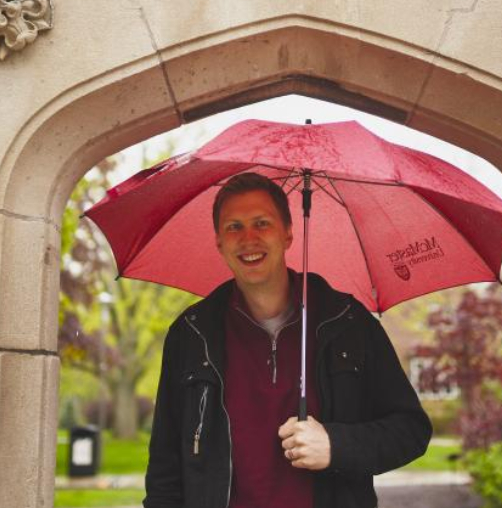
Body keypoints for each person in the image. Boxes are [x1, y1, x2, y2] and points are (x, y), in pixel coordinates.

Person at [143, 172, 432, 508]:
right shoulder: (192, 334)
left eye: (262, 223)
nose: (248, 238)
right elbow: (165, 467)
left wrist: (337, 445)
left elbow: (410, 430)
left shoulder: (348, 323)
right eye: (233, 227)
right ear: (220, 243)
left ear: (288, 233)